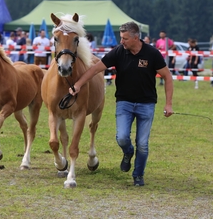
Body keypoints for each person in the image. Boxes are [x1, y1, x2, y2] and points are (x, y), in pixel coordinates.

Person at [68, 22, 174, 186]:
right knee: (123, 138)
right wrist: (78, 85)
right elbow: (95, 69)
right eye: (121, 38)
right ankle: (128, 152)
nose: (121, 41)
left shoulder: (152, 54)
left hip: (146, 104)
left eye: (125, 38)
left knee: (143, 144)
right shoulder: (118, 52)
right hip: (124, 103)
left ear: (136, 37)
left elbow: (167, 76)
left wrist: (168, 104)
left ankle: (138, 175)